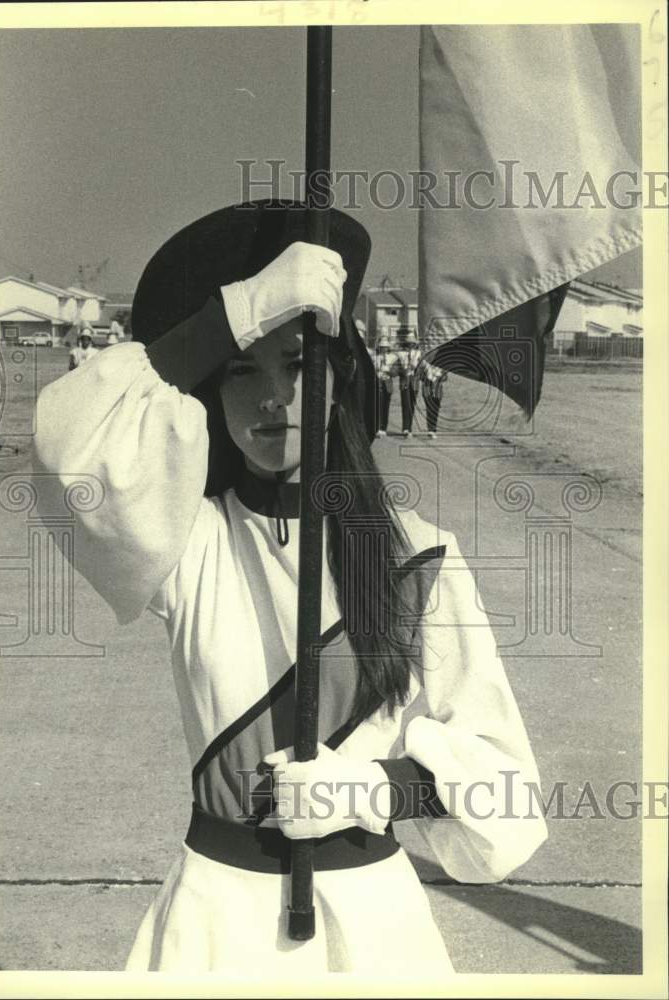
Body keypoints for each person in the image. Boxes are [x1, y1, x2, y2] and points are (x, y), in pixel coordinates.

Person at [33, 201, 547, 976]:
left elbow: (506, 789)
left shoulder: (422, 557)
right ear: (212, 397)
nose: (272, 397)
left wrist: (372, 789)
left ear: (340, 384)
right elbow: (70, 443)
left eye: (299, 366)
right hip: (213, 923)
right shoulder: (188, 543)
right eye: (243, 371)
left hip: (374, 931)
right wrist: (239, 312)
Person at [419, 354, 448, 438]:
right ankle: (431, 429)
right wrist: (427, 377)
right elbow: (420, 375)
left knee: (435, 408)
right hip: (427, 388)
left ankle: (433, 428)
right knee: (429, 408)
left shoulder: (442, 366)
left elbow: (446, 377)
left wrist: (439, 377)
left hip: (438, 390)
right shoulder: (425, 365)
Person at [373, 334, 397, 437]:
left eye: (385, 347)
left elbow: (396, 371)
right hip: (378, 382)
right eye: (382, 347)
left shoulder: (392, 358)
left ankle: (384, 427)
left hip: (387, 383)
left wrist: (389, 371)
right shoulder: (375, 357)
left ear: (388, 348)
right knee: (378, 405)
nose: (384, 349)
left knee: (386, 406)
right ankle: (377, 427)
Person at [398, 335, 421, 437]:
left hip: (414, 381)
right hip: (404, 381)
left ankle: (410, 427)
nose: (410, 345)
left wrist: (415, 368)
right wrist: (404, 370)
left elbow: (422, 368)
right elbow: (396, 369)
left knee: (412, 404)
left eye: (412, 343)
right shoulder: (401, 354)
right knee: (405, 403)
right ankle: (405, 428)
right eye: (408, 343)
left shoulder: (418, 354)